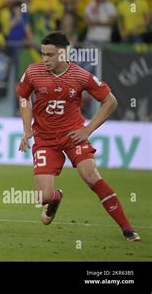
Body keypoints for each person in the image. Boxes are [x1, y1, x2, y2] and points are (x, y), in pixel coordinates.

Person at [16, 32, 140, 242]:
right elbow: (23, 97)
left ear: (63, 54)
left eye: (50, 55)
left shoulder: (81, 76)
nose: (45, 59)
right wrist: (27, 128)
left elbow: (110, 101)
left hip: (73, 136)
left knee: (92, 177)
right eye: (43, 54)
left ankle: (127, 228)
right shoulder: (33, 72)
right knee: (42, 197)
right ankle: (55, 199)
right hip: (45, 139)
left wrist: (88, 129)